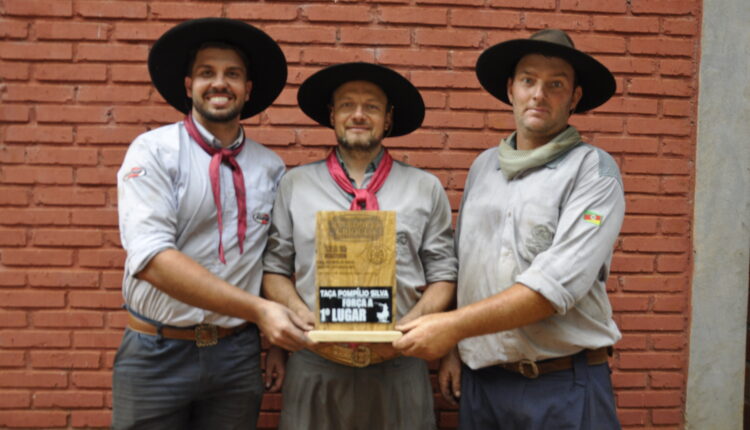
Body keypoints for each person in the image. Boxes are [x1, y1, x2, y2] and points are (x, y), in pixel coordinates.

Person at [394, 29, 624, 429]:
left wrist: (450, 328)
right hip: (483, 386)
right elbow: (464, 266)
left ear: (574, 97)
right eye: (528, 80)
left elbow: (553, 287)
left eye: (556, 84)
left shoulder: (593, 171)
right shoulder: (484, 167)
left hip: (562, 385)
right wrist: (453, 349)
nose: (539, 94)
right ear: (510, 89)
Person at [113, 18, 313, 429]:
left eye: (232, 74)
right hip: (157, 351)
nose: (219, 83)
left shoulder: (271, 167)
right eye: (207, 73)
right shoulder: (153, 152)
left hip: (236, 354)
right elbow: (152, 259)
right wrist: (261, 311)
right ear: (189, 85)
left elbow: (271, 262)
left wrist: (277, 343)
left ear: (248, 89)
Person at [262, 62, 458, 430]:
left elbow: (444, 275)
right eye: (347, 105)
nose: (358, 115)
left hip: (398, 364)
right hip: (317, 361)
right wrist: (299, 314)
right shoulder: (295, 185)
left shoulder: (425, 188)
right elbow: (274, 269)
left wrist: (412, 325)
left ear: (388, 119)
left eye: (371, 106)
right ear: (332, 115)